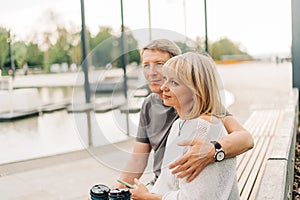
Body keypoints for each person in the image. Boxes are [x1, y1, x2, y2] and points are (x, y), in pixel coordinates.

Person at [116, 39, 253, 187]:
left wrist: (214, 150)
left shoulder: (197, 103)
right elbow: (138, 159)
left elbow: (246, 139)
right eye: (146, 65)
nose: (151, 72)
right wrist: (116, 191)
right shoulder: (149, 104)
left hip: (187, 185)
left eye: (159, 64)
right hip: (160, 184)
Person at [130, 52, 240, 199]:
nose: (164, 87)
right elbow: (171, 182)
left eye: (174, 83)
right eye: (165, 80)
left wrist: (147, 197)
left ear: (196, 89)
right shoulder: (179, 124)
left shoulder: (203, 130)